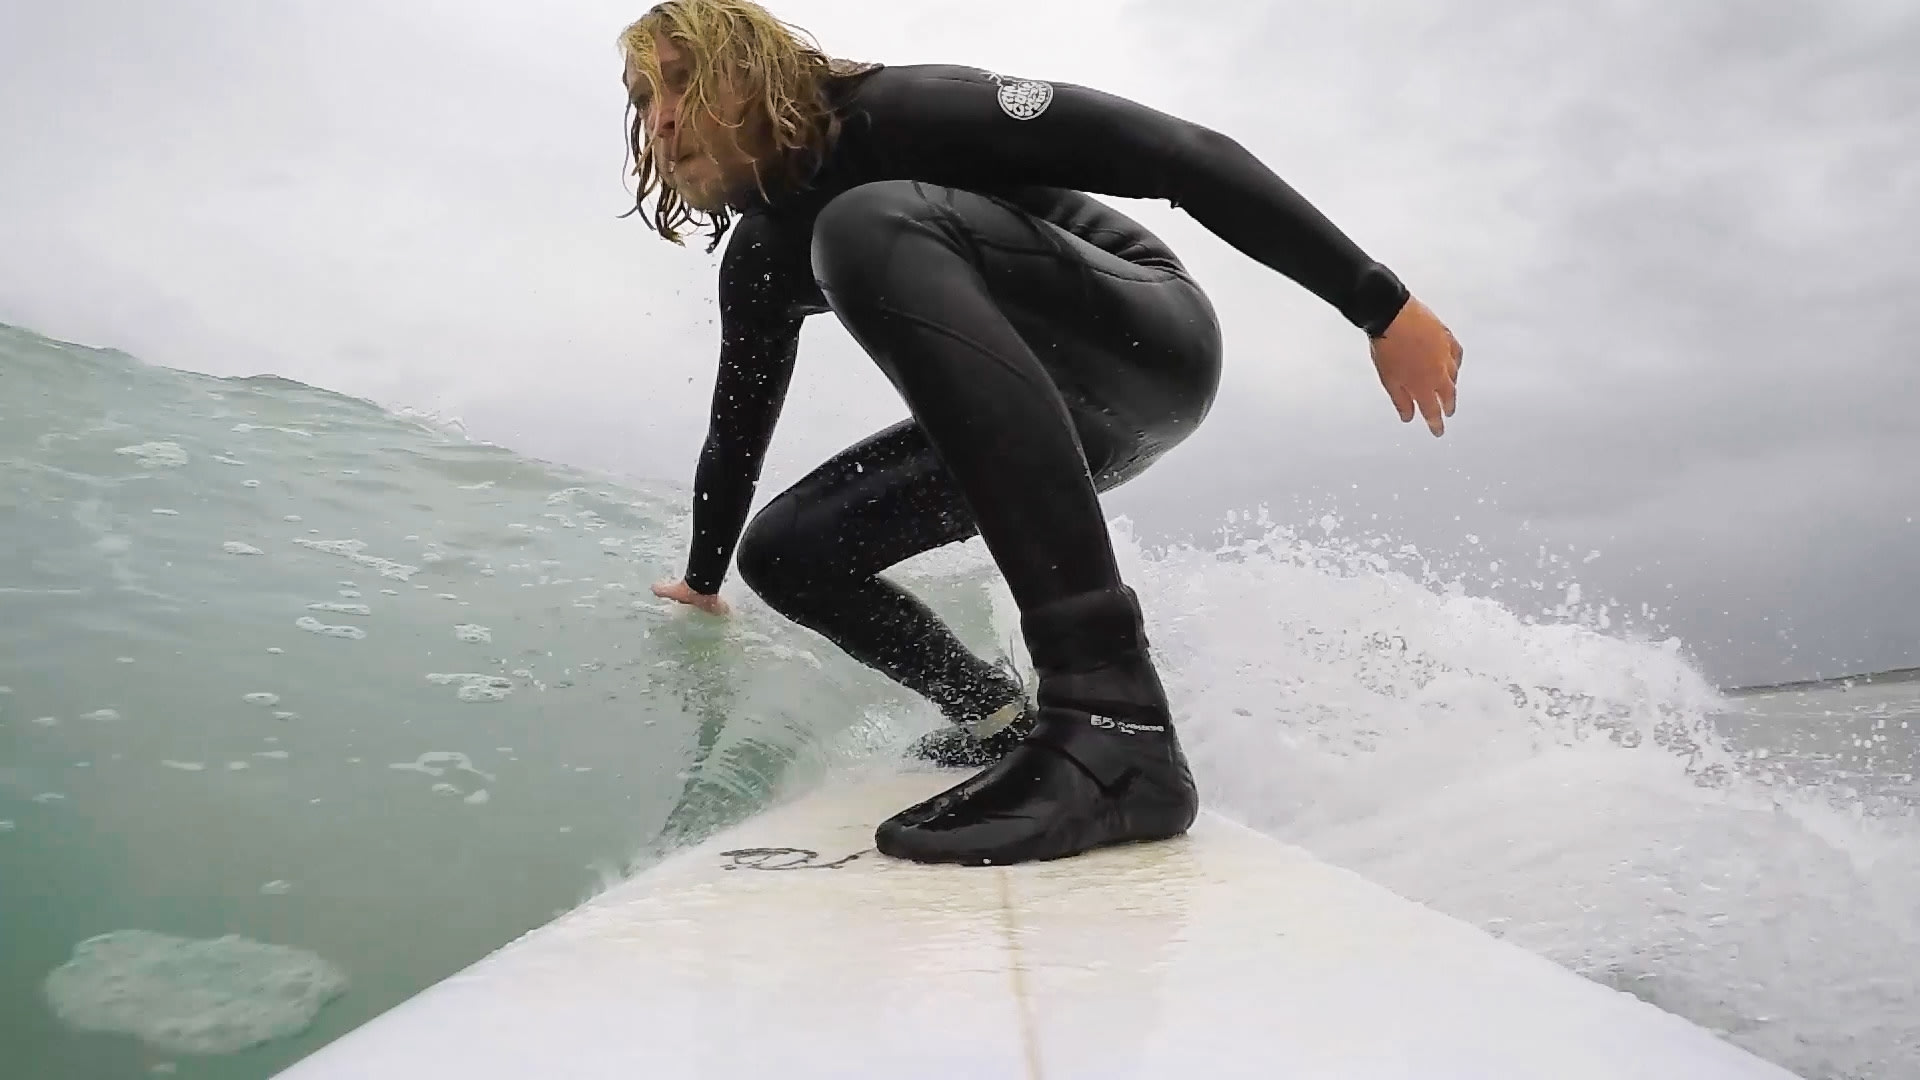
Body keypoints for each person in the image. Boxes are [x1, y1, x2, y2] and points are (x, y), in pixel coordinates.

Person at [619, 0, 1463, 867]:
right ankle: (999, 720)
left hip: (1147, 342)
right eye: (644, 97)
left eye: (683, 81)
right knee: (788, 552)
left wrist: (1379, 302)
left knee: (865, 224)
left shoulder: (900, 112)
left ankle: (1114, 722)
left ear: (756, 70)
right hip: (1041, 419)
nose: (664, 118)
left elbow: (1183, 154)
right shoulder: (759, 258)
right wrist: (703, 578)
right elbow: (737, 428)